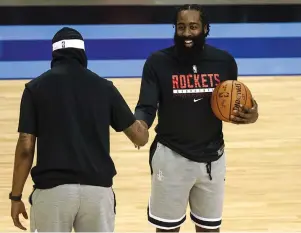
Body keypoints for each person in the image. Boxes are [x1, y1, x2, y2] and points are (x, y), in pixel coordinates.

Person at [9, 27, 149, 232]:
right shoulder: (104, 87)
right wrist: (144, 119)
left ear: (54, 54)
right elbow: (139, 137)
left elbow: (25, 146)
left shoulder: (35, 88)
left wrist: (15, 196)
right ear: (83, 53)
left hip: (53, 192)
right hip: (97, 193)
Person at [134, 4, 259, 232]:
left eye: (193, 27)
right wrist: (139, 125)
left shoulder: (224, 62)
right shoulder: (157, 62)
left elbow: (238, 99)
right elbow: (146, 106)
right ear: (175, 29)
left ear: (205, 29)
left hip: (212, 157)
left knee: (209, 229)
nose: (187, 33)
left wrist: (252, 112)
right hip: (171, 156)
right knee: (167, 229)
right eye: (181, 27)